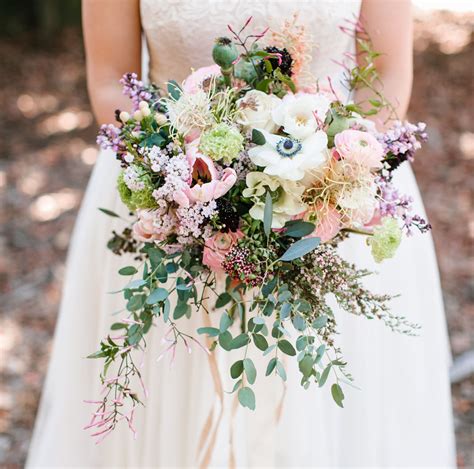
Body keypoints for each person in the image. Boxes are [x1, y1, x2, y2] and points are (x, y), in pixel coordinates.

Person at [27, 0, 456, 467]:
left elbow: (388, 80)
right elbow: (111, 78)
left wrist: (325, 183)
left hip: (335, 203)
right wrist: (184, 185)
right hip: (172, 201)